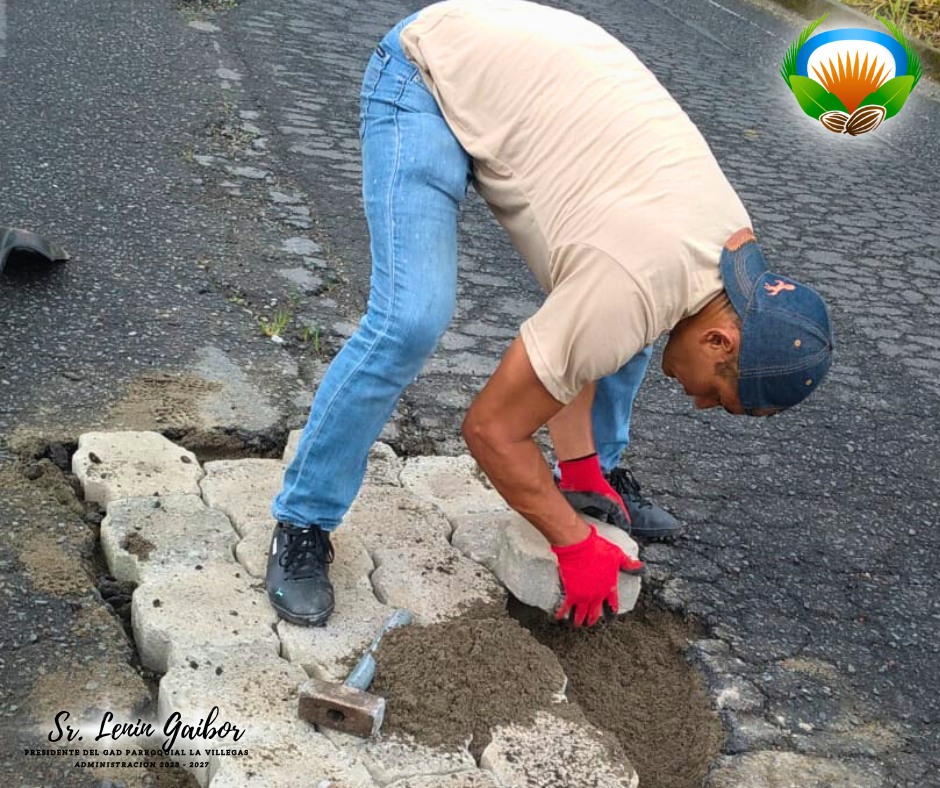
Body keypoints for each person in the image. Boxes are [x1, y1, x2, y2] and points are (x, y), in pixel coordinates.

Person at [266, 0, 833, 629]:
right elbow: (490, 430)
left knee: (628, 329)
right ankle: (303, 519)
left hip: (531, 72)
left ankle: (588, 476)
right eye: (720, 397)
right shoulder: (636, 279)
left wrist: (578, 469)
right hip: (432, 71)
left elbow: (594, 329)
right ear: (723, 341)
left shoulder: (729, 258)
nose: (699, 404)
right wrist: (571, 541)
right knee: (410, 319)